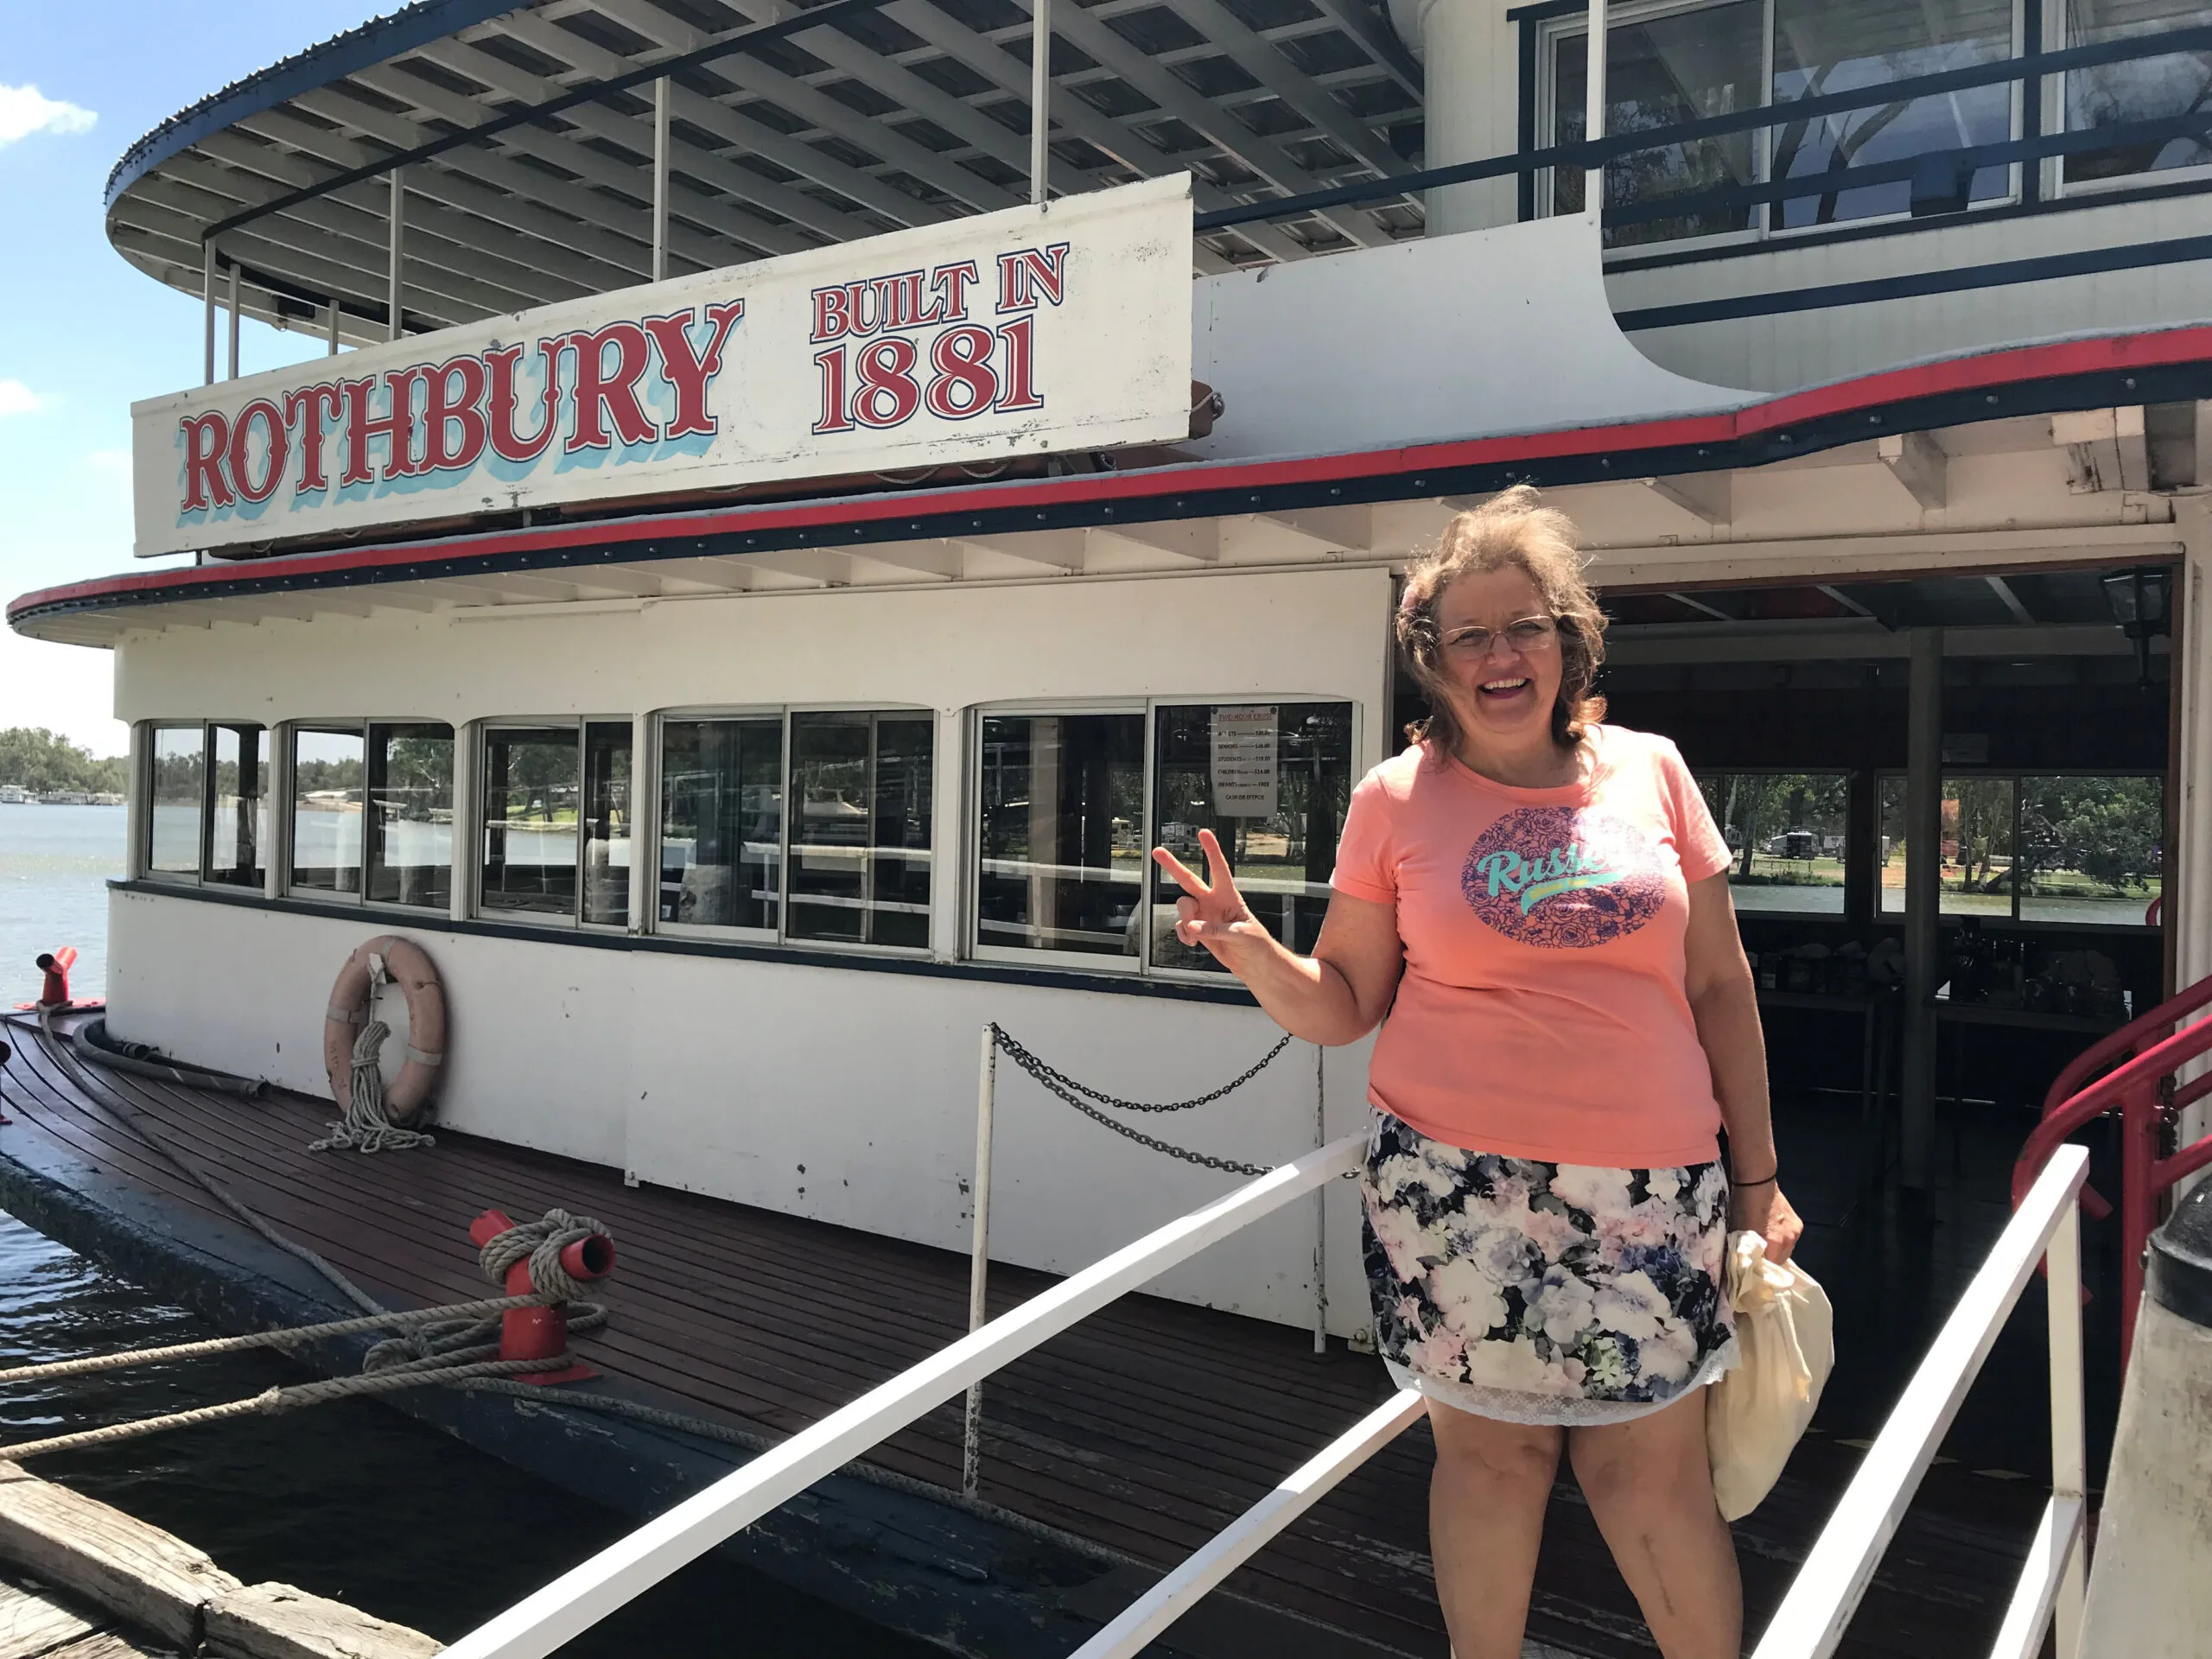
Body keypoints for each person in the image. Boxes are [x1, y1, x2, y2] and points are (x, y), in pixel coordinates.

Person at [1152, 487, 1802, 1659]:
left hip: (1652, 1191)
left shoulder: (1654, 772)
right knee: (1490, 1463)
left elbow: (1721, 986)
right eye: (1472, 635)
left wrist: (1758, 1181)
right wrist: (1246, 943)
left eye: (1527, 626)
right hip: (1452, 1191)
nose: (1503, 655)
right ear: (1434, 661)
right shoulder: (1393, 801)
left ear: (1569, 638)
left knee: (1647, 1474)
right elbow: (1345, 1004)